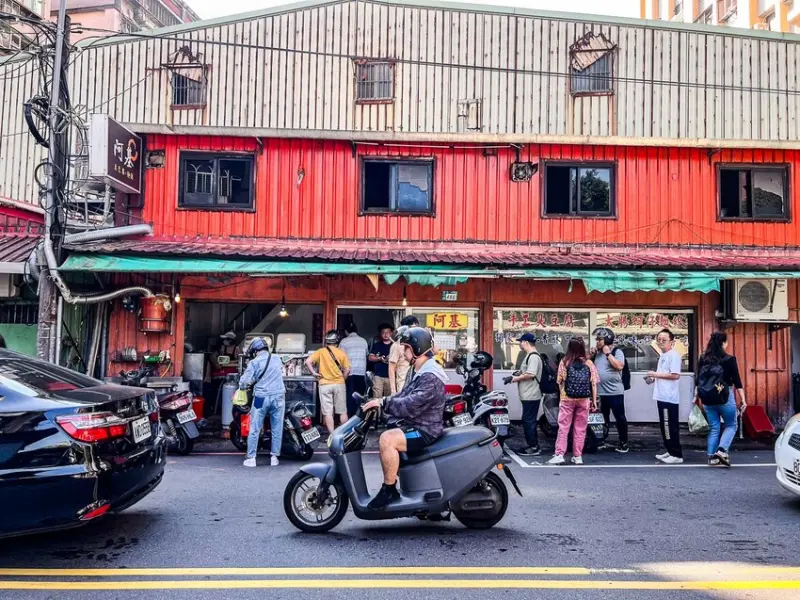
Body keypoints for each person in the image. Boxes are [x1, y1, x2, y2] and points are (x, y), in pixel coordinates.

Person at [361, 327, 448, 510]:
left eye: (406, 347)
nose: (403, 351)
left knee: (387, 440)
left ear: (416, 349)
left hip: (425, 430)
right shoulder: (418, 371)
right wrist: (380, 404)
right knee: (389, 432)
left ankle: (389, 490)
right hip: (416, 424)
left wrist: (383, 403)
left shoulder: (430, 376)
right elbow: (403, 395)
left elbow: (411, 403)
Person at [695, 331, 747, 467]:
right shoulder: (729, 359)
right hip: (725, 396)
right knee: (731, 424)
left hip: (707, 397)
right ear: (723, 343)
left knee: (714, 427)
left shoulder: (703, 358)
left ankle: (712, 458)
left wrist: (696, 396)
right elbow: (737, 381)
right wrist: (743, 400)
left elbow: (698, 380)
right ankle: (722, 451)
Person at [548, 337, 599, 465]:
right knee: (580, 428)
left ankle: (559, 454)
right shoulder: (588, 363)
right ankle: (577, 456)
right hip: (584, 399)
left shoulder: (564, 361)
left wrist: (562, 394)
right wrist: (594, 401)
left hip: (567, 399)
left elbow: (559, 381)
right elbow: (594, 384)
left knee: (563, 428)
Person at [239, 338, 285, 468]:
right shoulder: (276, 358)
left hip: (260, 398)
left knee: (255, 427)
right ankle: (274, 457)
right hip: (278, 396)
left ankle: (251, 458)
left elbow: (244, 381)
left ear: (255, 350)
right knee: (277, 427)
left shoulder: (254, 362)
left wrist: (242, 386)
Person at [591, 328, 629, 453]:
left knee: (620, 418)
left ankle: (623, 442)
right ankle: (602, 439)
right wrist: (591, 354)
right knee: (603, 418)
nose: (597, 342)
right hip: (601, 392)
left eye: (599, 339)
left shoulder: (617, 351)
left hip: (614, 392)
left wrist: (608, 354)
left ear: (607, 339)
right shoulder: (598, 353)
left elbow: (619, 366)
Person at [648, 328, 684, 464]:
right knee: (664, 425)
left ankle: (676, 454)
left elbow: (675, 375)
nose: (661, 342)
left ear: (672, 342)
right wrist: (653, 378)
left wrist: (655, 374)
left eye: (664, 340)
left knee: (669, 425)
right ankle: (670, 451)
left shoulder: (673, 356)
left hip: (669, 397)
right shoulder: (663, 355)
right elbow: (663, 373)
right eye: (659, 339)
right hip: (662, 395)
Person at [306, 330, 351, 433]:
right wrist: (342, 379)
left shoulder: (321, 352)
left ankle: (332, 435)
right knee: (342, 411)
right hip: (339, 384)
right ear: (337, 341)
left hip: (324, 384)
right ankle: (344, 435)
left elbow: (308, 361)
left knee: (328, 413)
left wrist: (314, 373)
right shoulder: (341, 353)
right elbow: (347, 369)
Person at [510, 333, 543, 456]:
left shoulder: (533, 356)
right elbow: (526, 371)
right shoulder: (530, 356)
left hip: (531, 394)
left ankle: (533, 447)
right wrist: (517, 374)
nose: (520, 344)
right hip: (529, 394)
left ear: (526, 342)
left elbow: (531, 374)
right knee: (528, 420)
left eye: (521, 341)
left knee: (528, 421)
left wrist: (515, 379)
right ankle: (532, 445)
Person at [339, 322, 369, 417]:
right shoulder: (363, 341)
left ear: (346, 331)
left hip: (349, 372)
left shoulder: (344, 341)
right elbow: (366, 355)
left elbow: (340, 358)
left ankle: (350, 417)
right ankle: (359, 416)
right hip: (361, 372)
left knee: (349, 396)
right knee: (360, 396)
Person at [389, 316, 419, 394]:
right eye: (412, 327)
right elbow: (391, 368)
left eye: (417, 326)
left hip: (418, 388)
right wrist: (393, 391)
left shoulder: (419, 344)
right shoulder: (397, 345)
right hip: (403, 388)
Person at [369, 324, 394, 398]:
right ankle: (377, 410)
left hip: (391, 376)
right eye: (383, 332)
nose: (385, 334)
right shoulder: (377, 345)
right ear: (380, 334)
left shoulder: (394, 345)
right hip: (378, 376)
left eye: (387, 332)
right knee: (376, 397)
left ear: (391, 333)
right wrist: (379, 358)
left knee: (389, 398)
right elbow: (370, 358)